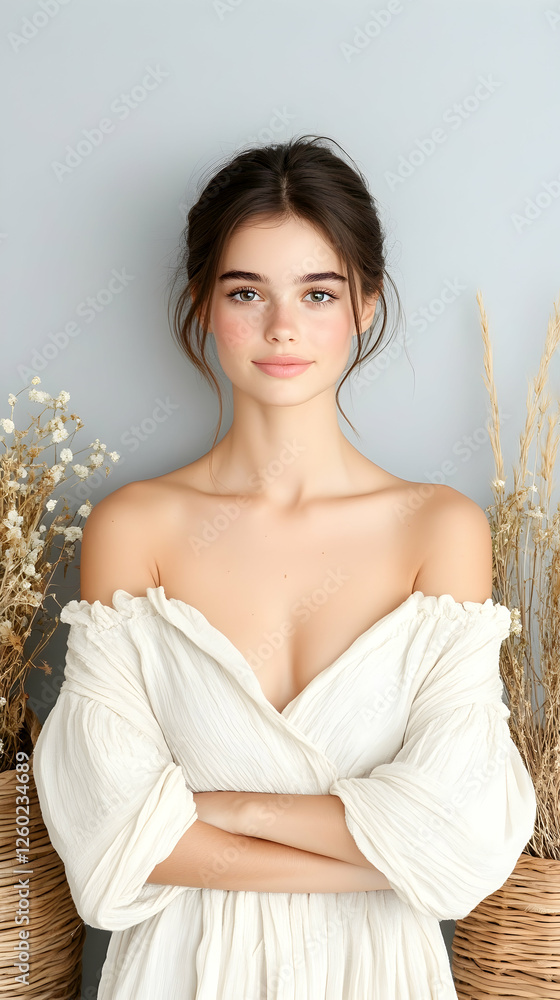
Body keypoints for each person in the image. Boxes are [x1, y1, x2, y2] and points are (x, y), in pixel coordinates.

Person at [33, 134, 537, 999]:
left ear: (366, 304)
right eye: (246, 292)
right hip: (179, 973)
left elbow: (461, 834)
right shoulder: (135, 527)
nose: (281, 327)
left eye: (317, 292)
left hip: (380, 974)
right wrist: (383, 858)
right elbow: (111, 832)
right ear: (203, 303)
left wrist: (230, 808)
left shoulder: (439, 530)